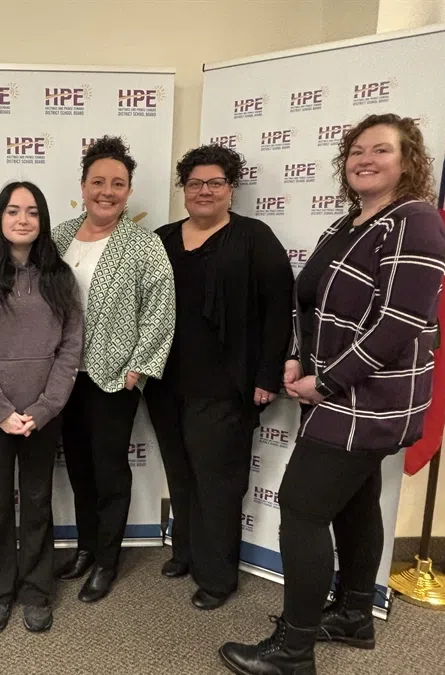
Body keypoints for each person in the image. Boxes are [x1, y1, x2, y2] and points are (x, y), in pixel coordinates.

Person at [220, 114, 445, 674]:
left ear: (409, 161)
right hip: (334, 390)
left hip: (368, 401)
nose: (364, 158)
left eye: (381, 149)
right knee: (353, 504)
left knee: (302, 507)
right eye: (355, 150)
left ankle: (294, 651)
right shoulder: (347, 225)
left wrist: (326, 382)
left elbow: (398, 323)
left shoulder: (417, 222)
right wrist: (300, 357)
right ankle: (353, 615)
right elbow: (314, 304)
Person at [144, 145, 293, 611]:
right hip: (166, 383)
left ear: (231, 189)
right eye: (194, 183)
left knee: (219, 482)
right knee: (182, 473)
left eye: (214, 183)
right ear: (183, 190)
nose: (204, 191)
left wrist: (267, 375)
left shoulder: (254, 238)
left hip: (225, 387)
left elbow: (277, 312)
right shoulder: (162, 239)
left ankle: (217, 576)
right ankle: (185, 552)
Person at [0, 181, 83, 633]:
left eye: (31, 211)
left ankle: (35, 590)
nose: (22, 219)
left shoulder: (59, 276)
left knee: (37, 499)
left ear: (43, 220)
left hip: (43, 412)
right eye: (12, 211)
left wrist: (45, 408)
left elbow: (70, 349)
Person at [53, 135, 175, 603]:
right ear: (82, 186)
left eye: (118, 183)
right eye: (98, 181)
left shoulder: (144, 247)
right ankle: (85, 547)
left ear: (129, 190)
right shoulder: (59, 237)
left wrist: (138, 369)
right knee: (79, 468)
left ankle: (107, 560)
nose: (107, 191)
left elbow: (160, 311)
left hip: (113, 377)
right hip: (63, 376)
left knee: (108, 469)